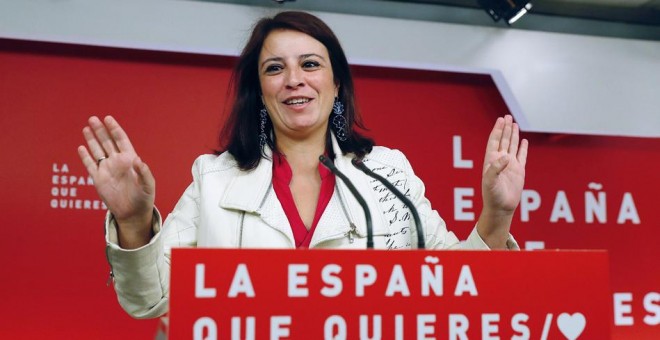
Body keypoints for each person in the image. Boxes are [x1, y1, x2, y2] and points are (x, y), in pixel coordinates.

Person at [78, 11, 528, 319]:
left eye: (310, 64)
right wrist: (134, 221)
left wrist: (498, 214)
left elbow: (458, 288)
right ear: (260, 90)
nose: (294, 79)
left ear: (336, 84)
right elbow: (151, 299)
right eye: (275, 68)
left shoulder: (390, 173)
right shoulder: (213, 179)